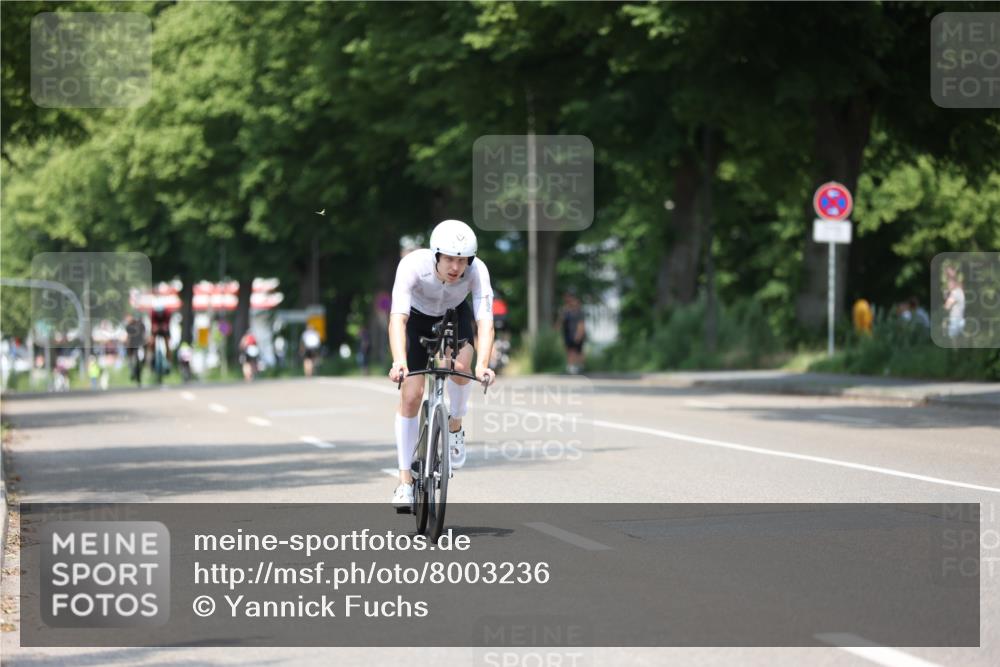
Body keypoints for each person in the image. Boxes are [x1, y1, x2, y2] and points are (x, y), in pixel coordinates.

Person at [387, 219, 495, 509]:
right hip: (417, 319)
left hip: (453, 314)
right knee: (410, 395)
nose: (455, 267)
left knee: (462, 368)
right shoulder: (412, 266)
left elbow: (485, 321)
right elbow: (398, 318)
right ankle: (405, 481)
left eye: (462, 260)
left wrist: (483, 365)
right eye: (449, 258)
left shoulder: (478, 271)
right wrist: (399, 361)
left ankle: (455, 425)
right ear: (435, 254)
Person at [559, 290, 586, 374]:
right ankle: (571, 366)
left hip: (577, 333)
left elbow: (581, 324)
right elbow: (561, 321)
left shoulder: (579, 312)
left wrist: (579, 334)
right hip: (568, 333)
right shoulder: (566, 310)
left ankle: (580, 366)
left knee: (578, 351)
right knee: (570, 350)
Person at [125, 314, 145, 386]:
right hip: (133, 347)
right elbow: (128, 338)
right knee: (132, 361)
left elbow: (143, 336)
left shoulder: (141, 325)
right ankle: (133, 373)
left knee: (140, 361)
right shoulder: (129, 326)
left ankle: (137, 374)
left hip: (139, 346)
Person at [944, 275, 965, 340]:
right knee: (960, 339)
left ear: (953, 284)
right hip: (961, 318)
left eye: (949, 284)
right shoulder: (960, 291)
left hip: (955, 319)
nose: (948, 286)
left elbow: (947, 306)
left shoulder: (954, 292)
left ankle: (954, 350)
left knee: (953, 339)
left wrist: (946, 298)